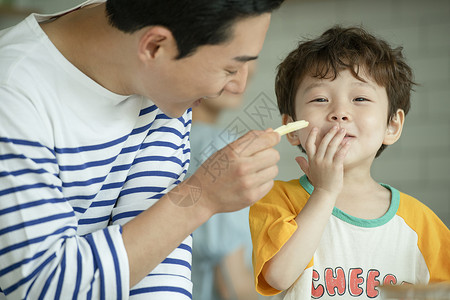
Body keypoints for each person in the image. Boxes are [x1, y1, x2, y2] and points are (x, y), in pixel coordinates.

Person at [0, 0, 285, 299]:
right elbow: (43, 286)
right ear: (154, 47)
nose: (238, 86)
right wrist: (201, 197)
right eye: (230, 67)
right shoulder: (13, 95)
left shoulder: (160, 87)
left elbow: (158, 271)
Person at [249, 26, 450, 299]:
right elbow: (279, 276)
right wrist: (325, 191)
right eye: (320, 99)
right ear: (292, 128)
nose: (340, 113)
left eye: (360, 99)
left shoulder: (421, 222)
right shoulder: (276, 199)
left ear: (392, 126)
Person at [188, 63, 258, 300]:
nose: (242, 81)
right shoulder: (222, 148)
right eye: (230, 69)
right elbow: (231, 281)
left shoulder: (168, 143)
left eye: (250, 71)